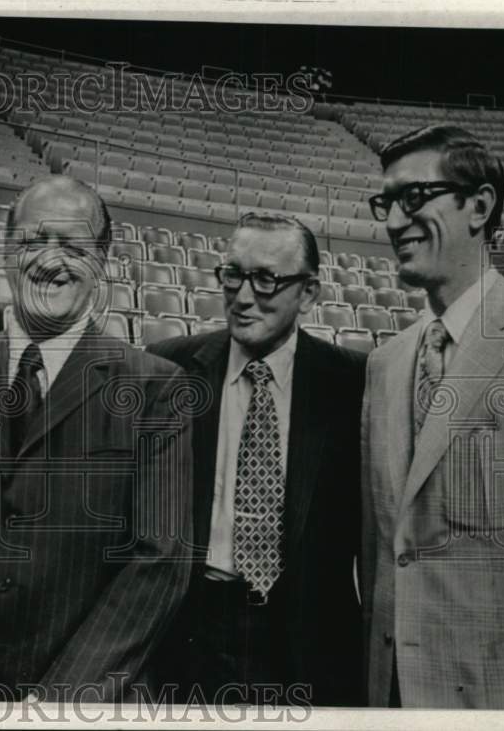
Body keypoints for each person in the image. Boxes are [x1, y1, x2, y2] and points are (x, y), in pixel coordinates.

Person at [0, 176, 193, 703]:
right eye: (34, 241)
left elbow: (160, 560)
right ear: (6, 252)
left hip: (87, 702)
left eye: (75, 246)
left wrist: (59, 700)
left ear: (102, 261)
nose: (51, 261)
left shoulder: (157, 388)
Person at [361, 124, 504, 708]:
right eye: (387, 202)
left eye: (414, 197)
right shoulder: (384, 363)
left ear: (480, 206)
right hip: (389, 695)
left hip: (494, 702)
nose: (395, 221)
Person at [145, 212, 366, 707]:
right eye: (234, 275)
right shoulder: (169, 367)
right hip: (192, 630)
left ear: (308, 293)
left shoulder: (352, 382)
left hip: (307, 637)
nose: (244, 297)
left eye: (266, 279)